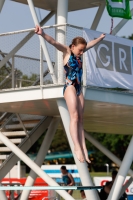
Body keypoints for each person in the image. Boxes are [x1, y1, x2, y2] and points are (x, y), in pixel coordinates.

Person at [35, 25, 105, 163]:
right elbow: (54, 42)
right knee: (74, 116)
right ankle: (77, 147)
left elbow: (90, 44)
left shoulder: (80, 53)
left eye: (83, 50)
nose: (82, 53)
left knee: (80, 118)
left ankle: (83, 147)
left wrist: (100, 39)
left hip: (78, 88)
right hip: (70, 87)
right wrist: (42, 34)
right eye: (80, 50)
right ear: (73, 46)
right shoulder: (67, 52)